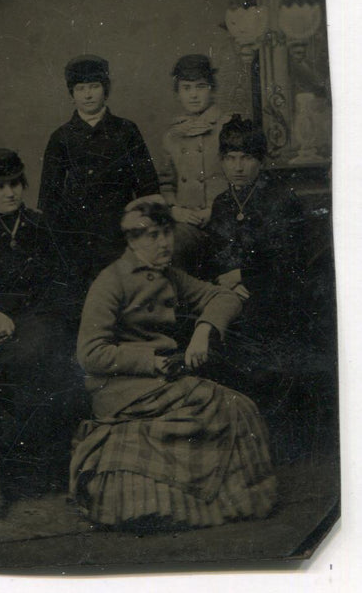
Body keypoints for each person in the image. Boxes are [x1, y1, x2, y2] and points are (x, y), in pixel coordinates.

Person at [70, 196, 276, 530]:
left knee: (240, 407)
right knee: (223, 405)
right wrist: (150, 361)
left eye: (166, 233)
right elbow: (91, 353)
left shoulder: (170, 275)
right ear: (132, 241)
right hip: (123, 386)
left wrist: (204, 330)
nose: (164, 243)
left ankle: (224, 502)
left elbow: (223, 296)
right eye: (152, 236)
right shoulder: (111, 282)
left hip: (162, 380)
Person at [0, 149, 78, 517]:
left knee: (46, 358)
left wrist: (31, 320)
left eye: (15, 185)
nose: (9, 194)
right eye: (0, 186)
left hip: (35, 320)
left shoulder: (39, 226)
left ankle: (51, 472)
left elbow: (60, 286)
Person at [204, 115, 307, 447]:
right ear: (221, 160)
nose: (238, 167)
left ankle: (267, 436)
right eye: (230, 158)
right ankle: (232, 431)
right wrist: (230, 283)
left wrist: (244, 276)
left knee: (254, 330)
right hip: (231, 293)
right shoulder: (221, 204)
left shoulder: (280, 199)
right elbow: (215, 259)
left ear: (260, 161)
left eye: (246, 158)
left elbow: (290, 262)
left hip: (276, 291)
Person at [38, 55, 159, 312]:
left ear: (106, 89)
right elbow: (49, 198)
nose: (88, 95)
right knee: (81, 304)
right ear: (72, 94)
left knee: (125, 298)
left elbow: (148, 186)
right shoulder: (61, 138)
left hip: (120, 233)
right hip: (76, 238)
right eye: (80, 88)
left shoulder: (126, 131)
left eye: (94, 86)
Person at [159, 54, 231, 273]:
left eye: (200, 87)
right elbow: (165, 183)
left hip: (224, 216)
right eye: (186, 88)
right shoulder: (172, 136)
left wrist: (215, 209)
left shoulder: (227, 126)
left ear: (212, 89)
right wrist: (175, 210)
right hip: (187, 221)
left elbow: (241, 176)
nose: (193, 95)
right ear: (177, 93)